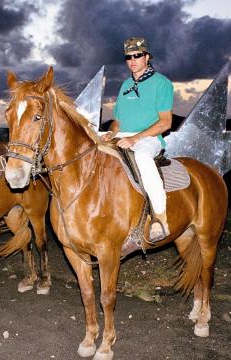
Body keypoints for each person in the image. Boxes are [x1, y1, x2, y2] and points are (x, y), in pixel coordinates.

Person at [101, 36, 173, 242]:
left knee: (141, 156)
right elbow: (118, 121)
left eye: (137, 55)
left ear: (147, 56)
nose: (132, 60)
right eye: (128, 57)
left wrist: (135, 139)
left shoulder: (162, 83)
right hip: (123, 136)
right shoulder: (125, 85)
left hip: (149, 139)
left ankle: (160, 217)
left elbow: (166, 122)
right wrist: (111, 133)